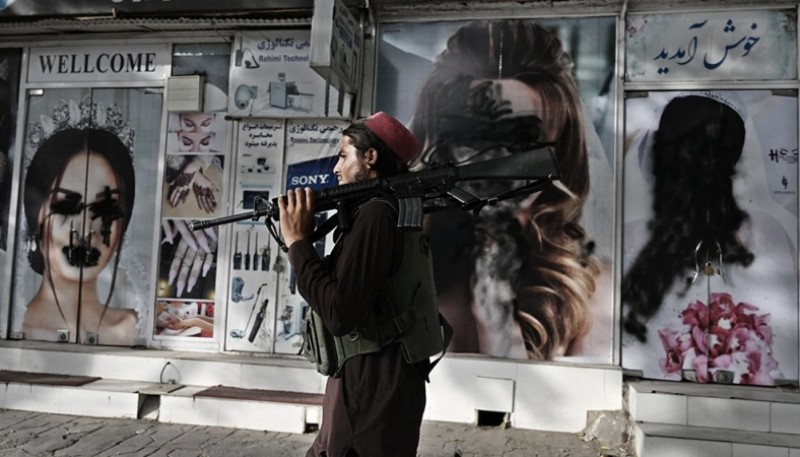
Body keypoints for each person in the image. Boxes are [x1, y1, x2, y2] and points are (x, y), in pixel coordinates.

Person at [409, 19, 605, 359]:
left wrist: (497, 317)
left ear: (558, 149)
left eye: (520, 140)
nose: (492, 162)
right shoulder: (406, 246)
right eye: (471, 137)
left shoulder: (587, 287)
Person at [279, 112, 445, 457]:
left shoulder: (377, 214)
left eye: (343, 155)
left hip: (372, 387)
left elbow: (341, 313)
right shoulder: (390, 209)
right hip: (375, 381)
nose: (335, 169)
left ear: (370, 158)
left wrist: (298, 244)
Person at [21, 126, 138, 345]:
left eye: (105, 209)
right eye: (66, 206)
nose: (85, 231)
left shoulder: (138, 329)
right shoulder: (13, 329)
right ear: (36, 214)